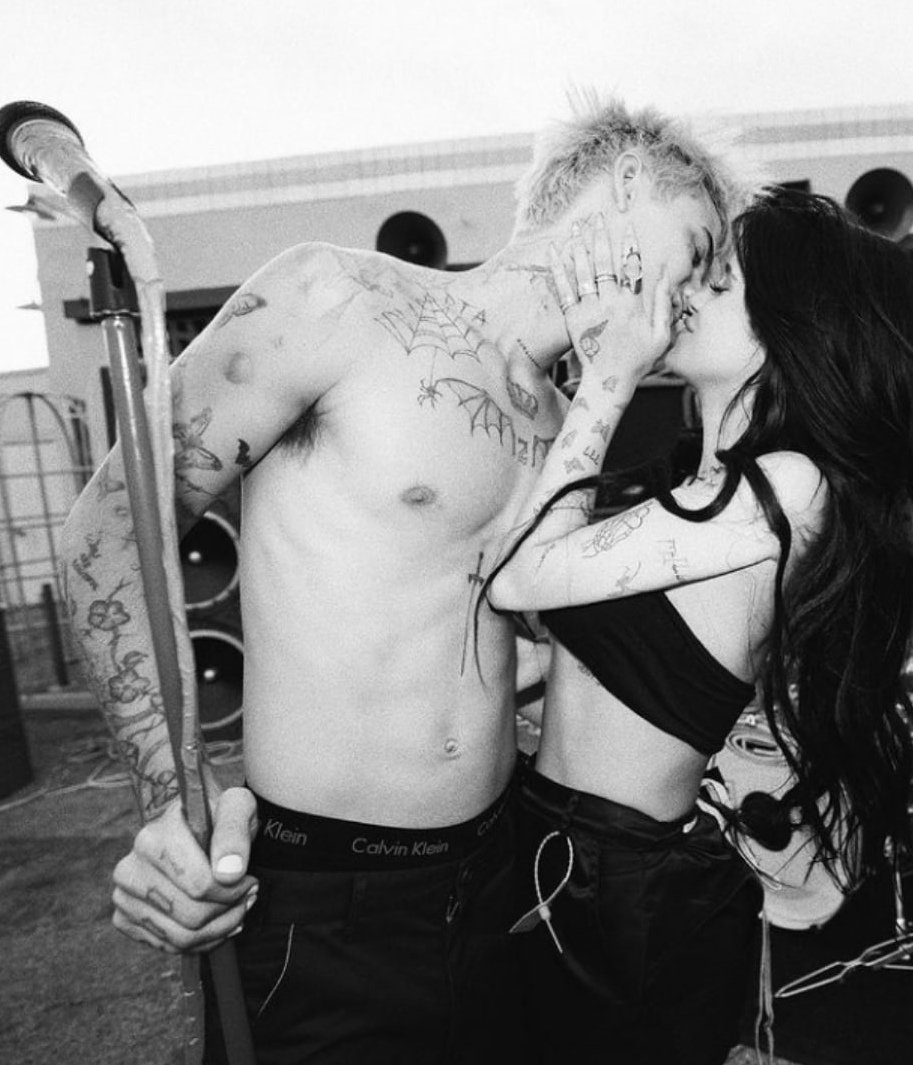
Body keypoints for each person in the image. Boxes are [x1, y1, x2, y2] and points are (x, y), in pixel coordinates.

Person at [58, 95, 752, 1064]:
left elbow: (488, 639)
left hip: (498, 883)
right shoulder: (334, 300)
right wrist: (172, 798)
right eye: (699, 248)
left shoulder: (569, 425)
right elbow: (105, 539)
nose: (696, 293)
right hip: (323, 898)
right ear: (629, 180)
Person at [484, 187, 913, 1065]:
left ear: (791, 327)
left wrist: (607, 377)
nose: (687, 290)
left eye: (722, 279)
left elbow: (520, 576)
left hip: (612, 878)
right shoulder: (706, 488)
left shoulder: (788, 484)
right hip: (561, 846)